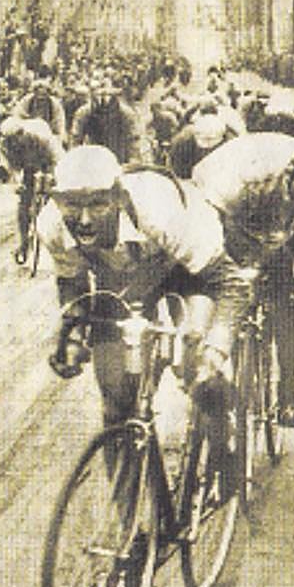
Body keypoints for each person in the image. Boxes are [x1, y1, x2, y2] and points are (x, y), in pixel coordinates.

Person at [41, 144, 251, 461]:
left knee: (195, 362)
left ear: (119, 198)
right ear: (57, 200)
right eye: (72, 205)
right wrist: (72, 335)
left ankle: (221, 438)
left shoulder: (159, 212)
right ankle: (122, 505)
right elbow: (73, 284)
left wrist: (216, 348)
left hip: (186, 267)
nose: (84, 220)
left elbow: (231, 285)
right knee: (115, 400)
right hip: (123, 280)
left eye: (98, 204)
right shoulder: (51, 225)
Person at [192, 132, 294, 427]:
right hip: (226, 206)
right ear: (292, 179)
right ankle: (224, 369)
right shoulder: (248, 179)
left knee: (290, 297)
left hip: (275, 215)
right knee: (227, 286)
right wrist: (243, 264)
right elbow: (213, 225)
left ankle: (287, 391)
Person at [1, 116, 63, 264]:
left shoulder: (40, 136)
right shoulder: (6, 145)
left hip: (47, 160)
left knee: (54, 197)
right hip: (28, 166)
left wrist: (53, 178)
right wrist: (17, 183)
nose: (15, 142)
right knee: (23, 204)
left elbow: (57, 158)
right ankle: (23, 241)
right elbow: (12, 167)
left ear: (22, 133)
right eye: (11, 140)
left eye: (17, 138)